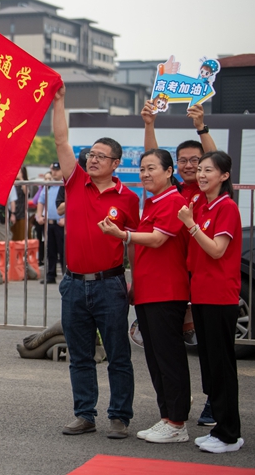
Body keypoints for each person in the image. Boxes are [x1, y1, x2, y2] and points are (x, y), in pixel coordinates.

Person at [53, 86, 141, 439]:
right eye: (90, 154)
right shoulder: (76, 183)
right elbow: (61, 141)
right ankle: (84, 414)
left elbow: (134, 244)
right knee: (80, 356)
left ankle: (119, 416)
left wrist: (135, 283)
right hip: (74, 283)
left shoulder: (129, 199)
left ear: (116, 163)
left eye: (101, 156)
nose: (92, 159)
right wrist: (60, 102)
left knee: (118, 355)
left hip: (110, 284)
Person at [98, 149, 191, 443]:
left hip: (167, 290)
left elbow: (158, 239)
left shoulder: (174, 200)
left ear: (169, 171)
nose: (146, 174)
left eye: (152, 168)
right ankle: (167, 418)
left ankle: (177, 422)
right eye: (142, 169)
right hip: (150, 290)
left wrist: (123, 235)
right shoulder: (152, 202)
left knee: (169, 358)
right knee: (155, 358)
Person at [142, 99, 219, 424]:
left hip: (205, 278)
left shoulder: (205, 192)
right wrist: (149, 123)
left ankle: (214, 404)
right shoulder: (173, 192)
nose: (191, 167)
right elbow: (155, 161)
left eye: (196, 162)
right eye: (184, 161)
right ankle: (175, 411)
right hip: (176, 278)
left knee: (211, 349)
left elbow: (217, 162)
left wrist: (201, 127)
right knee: (172, 350)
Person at [177, 151, 245, 453]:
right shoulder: (201, 205)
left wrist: (191, 226)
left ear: (224, 176)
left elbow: (217, 250)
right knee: (209, 364)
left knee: (221, 365)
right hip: (202, 294)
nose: (201, 174)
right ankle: (220, 427)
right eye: (200, 169)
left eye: (208, 170)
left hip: (220, 295)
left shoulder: (226, 207)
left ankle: (230, 433)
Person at [35, 162, 64, 284]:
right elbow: (41, 201)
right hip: (49, 222)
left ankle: (65, 275)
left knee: (63, 251)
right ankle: (50, 275)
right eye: (53, 170)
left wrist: (66, 218)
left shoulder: (65, 185)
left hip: (61, 223)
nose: (54, 172)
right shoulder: (49, 185)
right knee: (50, 250)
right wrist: (39, 215)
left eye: (57, 170)